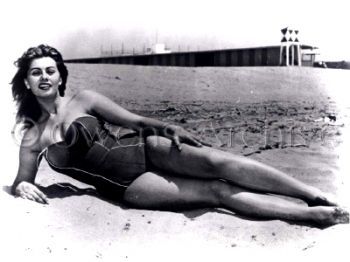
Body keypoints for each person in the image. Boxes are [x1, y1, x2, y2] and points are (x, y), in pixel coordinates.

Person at [11, 44, 348, 227]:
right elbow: (22, 182)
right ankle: (310, 216)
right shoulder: (32, 136)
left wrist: (168, 127)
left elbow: (137, 121)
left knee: (218, 160)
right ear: (26, 81)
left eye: (50, 71)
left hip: (144, 147)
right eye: (35, 72)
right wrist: (23, 185)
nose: (44, 77)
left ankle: (314, 194)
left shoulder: (84, 99)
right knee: (217, 191)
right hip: (128, 185)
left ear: (60, 76)